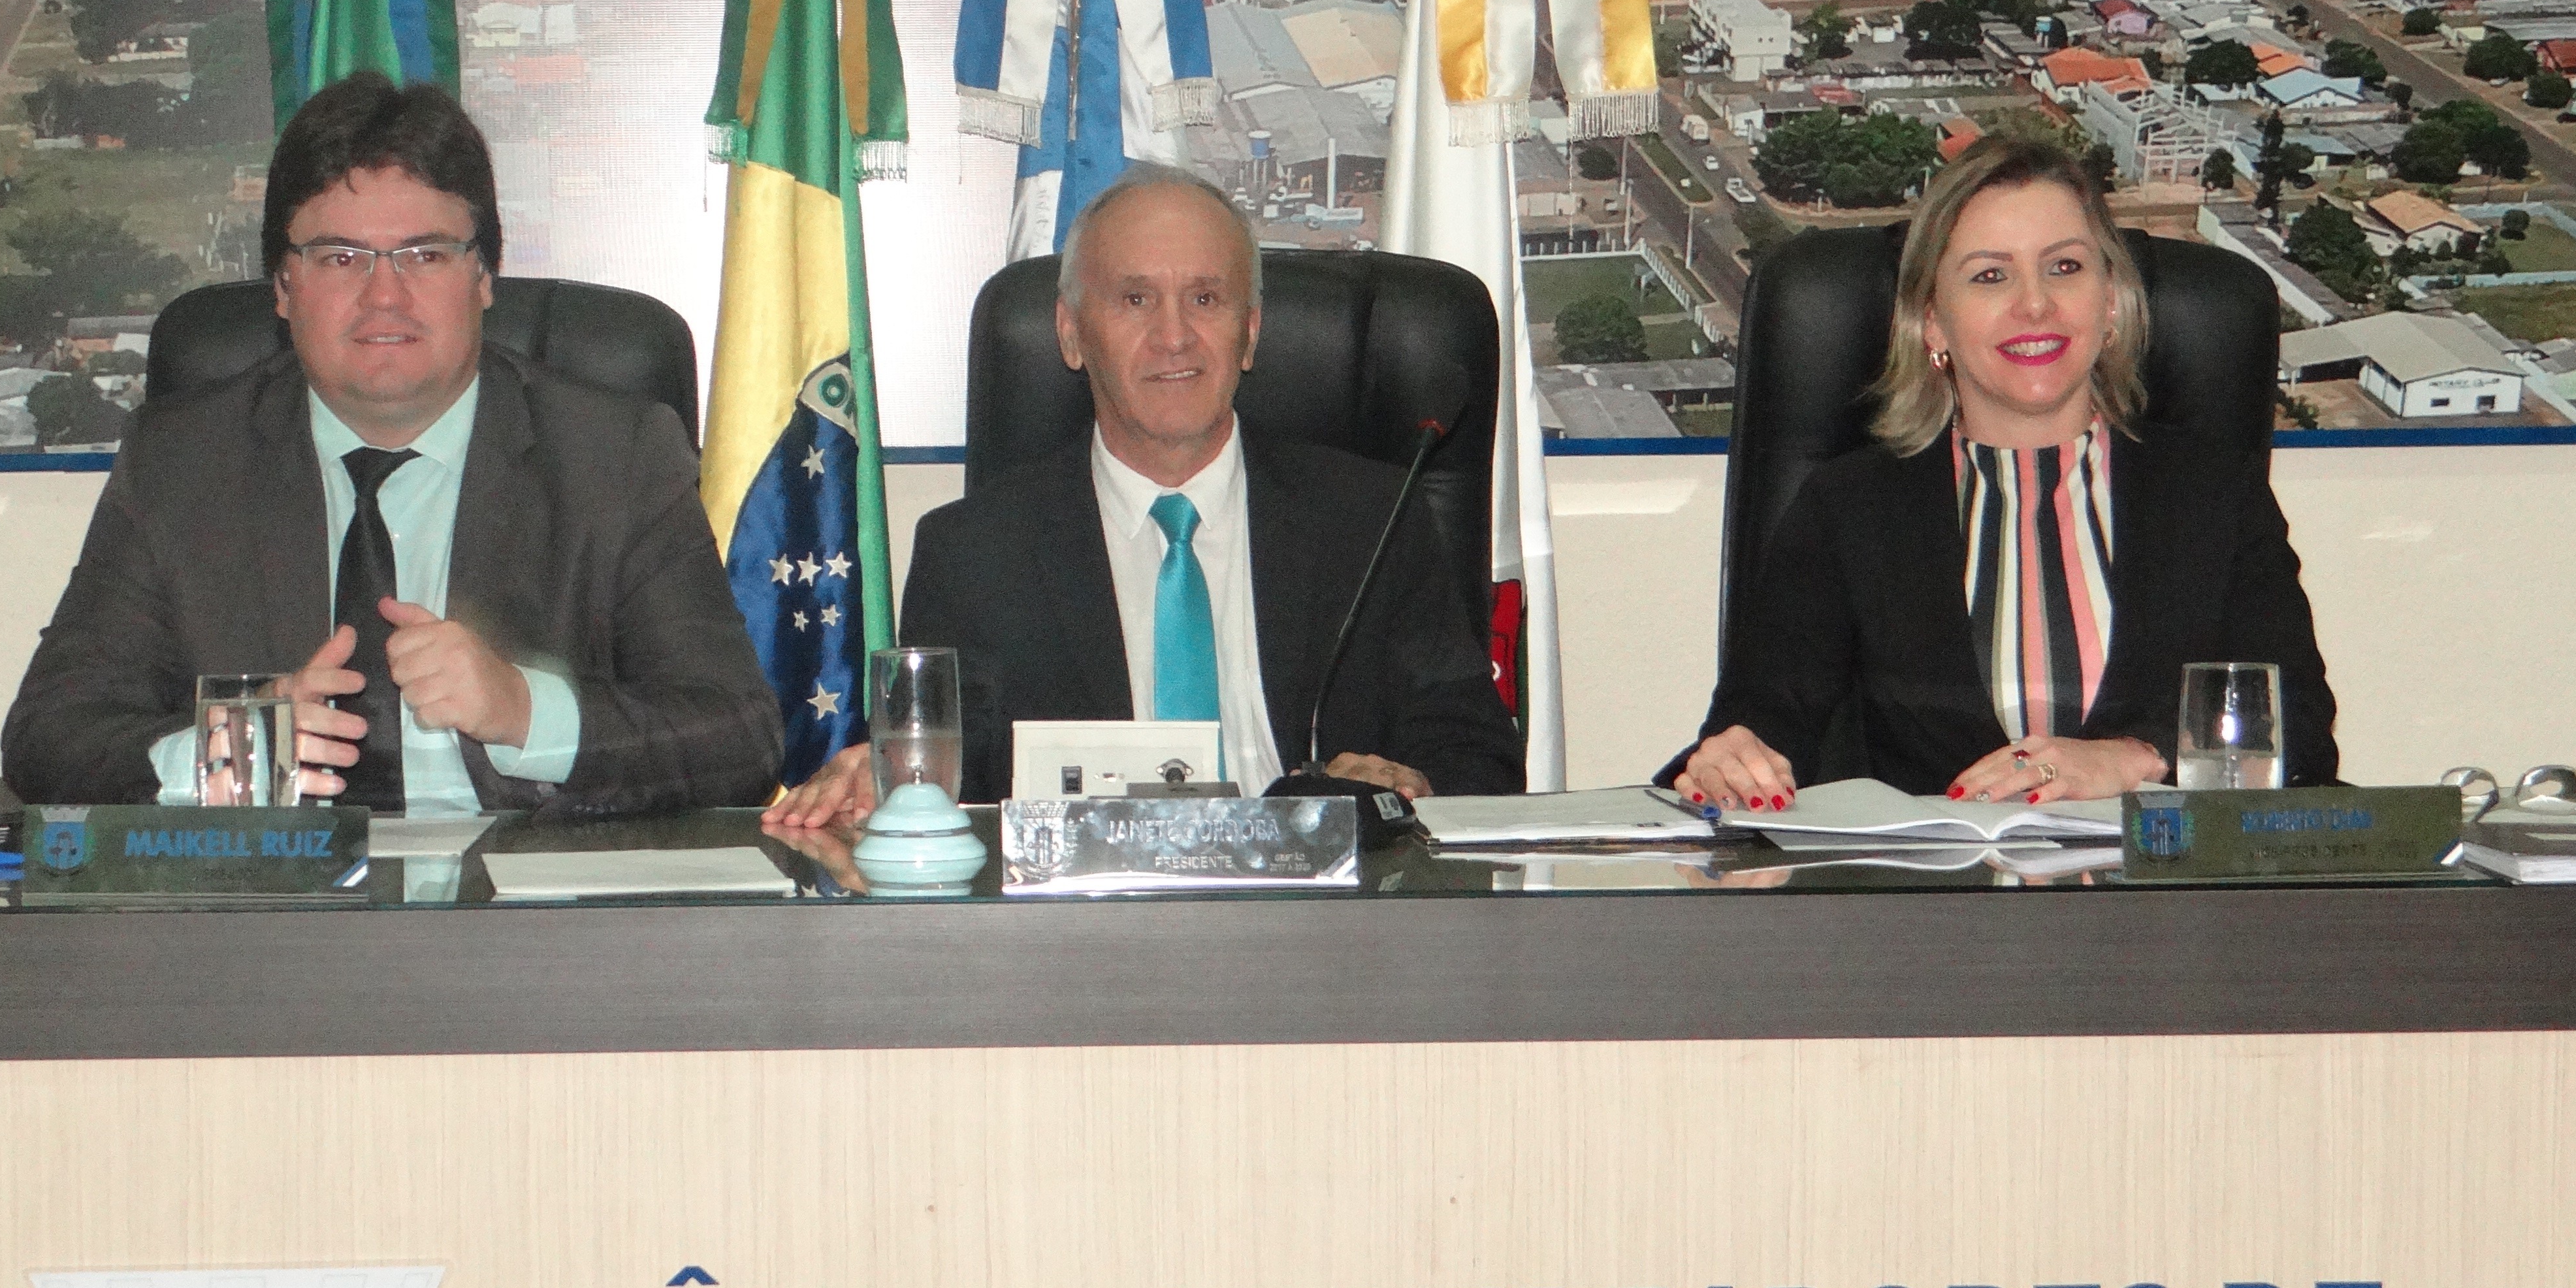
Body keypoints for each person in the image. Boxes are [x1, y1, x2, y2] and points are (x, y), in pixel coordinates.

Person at [2, 72, 782, 815]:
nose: (384, 295)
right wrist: (239, 751)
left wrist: (523, 711)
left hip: (531, 917)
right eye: (340, 257)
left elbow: (739, 735)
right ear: (281, 287)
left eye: (425, 255)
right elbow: (51, 736)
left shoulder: (616, 455)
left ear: (483, 279)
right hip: (272, 911)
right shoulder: (182, 462)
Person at [765, 167, 1521, 831]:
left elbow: (1480, 762)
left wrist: (1405, 789)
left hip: (1330, 939)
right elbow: (955, 783)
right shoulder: (973, 553)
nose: (1175, 338)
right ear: (1070, 334)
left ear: (1250, 334)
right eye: (1134, 299)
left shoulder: (1372, 522)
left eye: (1205, 298)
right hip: (1087, 948)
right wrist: (898, 779)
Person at [1671, 132, 2335, 813]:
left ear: (2110, 302)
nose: (2036, 305)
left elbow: (2300, 733)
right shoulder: (1850, 509)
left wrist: (2134, 759)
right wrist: (1731, 763)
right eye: (1991, 275)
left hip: (2158, 908)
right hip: (1940, 910)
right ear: (1932, 324)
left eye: (2066, 267)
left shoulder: (2213, 494)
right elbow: (1760, 726)